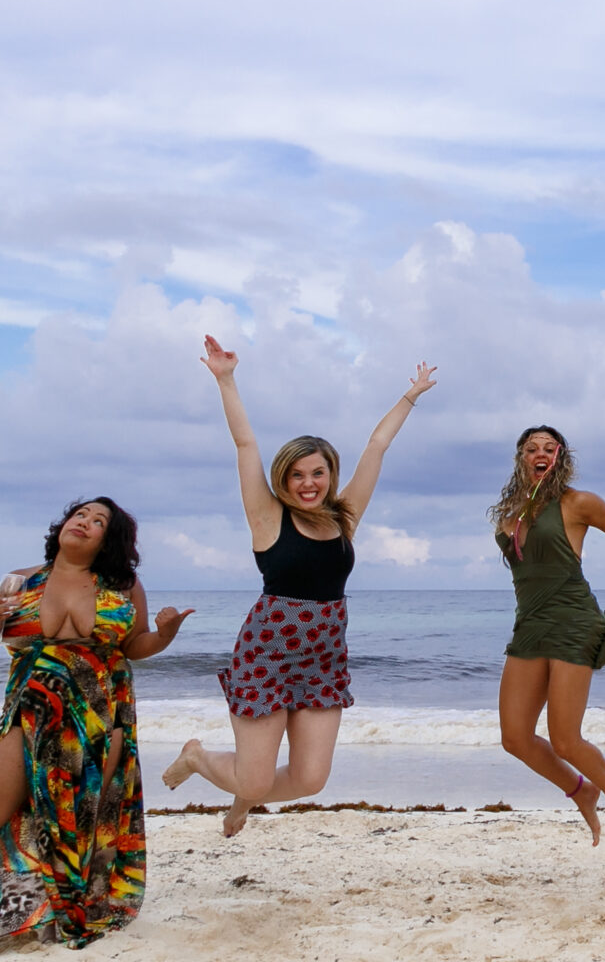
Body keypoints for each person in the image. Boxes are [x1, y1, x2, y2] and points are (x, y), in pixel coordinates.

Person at [163, 335, 435, 835]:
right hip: (267, 655)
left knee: (311, 779)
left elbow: (376, 447)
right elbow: (246, 443)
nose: (308, 483)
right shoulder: (268, 518)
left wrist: (410, 396)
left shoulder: (344, 519)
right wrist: (226, 379)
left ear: (330, 475)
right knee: (256, 778)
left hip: (324, 658)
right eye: (296, 475)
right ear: (282, 480)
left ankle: (246, 796)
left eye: (318, 473)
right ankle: (201, 759)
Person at [0, 497, 192, 960]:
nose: (85, 522)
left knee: (78, 825)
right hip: (30, 713)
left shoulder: (122, 586)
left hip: (100, 715)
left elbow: (134, 645)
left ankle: (54, 915)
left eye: (99, 521)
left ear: (110, 539)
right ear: (63, 524)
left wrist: (164, 634)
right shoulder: (19, 581)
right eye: (80, 514)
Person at [493, 423, 605, 851]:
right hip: (530, 624)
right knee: (515, 737)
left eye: (549, 448)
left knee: (565, 737)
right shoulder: (512, 511)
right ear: (520, 458)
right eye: (531, 449)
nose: (540, 454)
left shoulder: (577, 503)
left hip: (574, 621)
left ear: (561, 457)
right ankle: (582, 790)